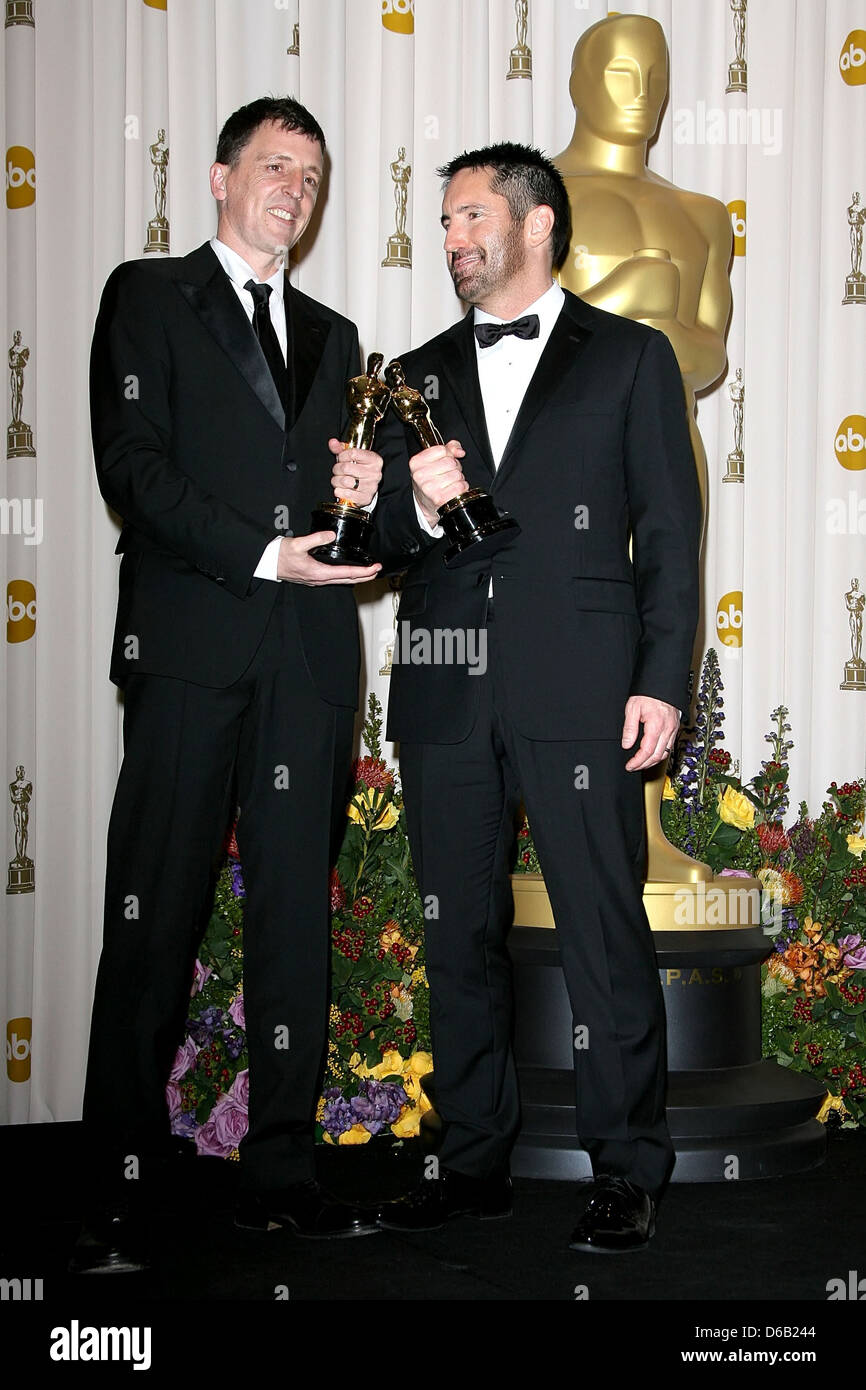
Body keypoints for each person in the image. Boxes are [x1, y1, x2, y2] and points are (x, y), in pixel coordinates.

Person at [372, 142, 701, 1252]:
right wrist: (410, 512)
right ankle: (469, 1159)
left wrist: (662, 679)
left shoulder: (631, 357)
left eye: (471, 219)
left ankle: (625, 1168)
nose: (452, 240)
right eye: (446, 223)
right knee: (452, 933)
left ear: (537, 225)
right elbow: (372, 544)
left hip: (581, 687)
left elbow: (666, 534)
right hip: (443, 688)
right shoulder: (409, 373)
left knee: (603, 932)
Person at [74, 97, 384, 1273]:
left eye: (310, 174)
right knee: (152, 913)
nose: (291, 191)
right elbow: (132, 469)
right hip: (191, 652)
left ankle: (283, 1172)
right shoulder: (147, 296)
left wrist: (364, 492)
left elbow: (336, 519)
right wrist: (265, 550)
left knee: (292, 921)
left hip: (306, 662)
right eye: (272, 166)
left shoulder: (340, 333)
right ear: (217, 178)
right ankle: (119, 1185)